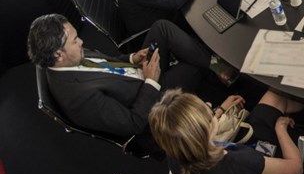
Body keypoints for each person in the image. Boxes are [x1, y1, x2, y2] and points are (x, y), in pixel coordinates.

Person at [26, 14, 234, 138]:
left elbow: (107, 63)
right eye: (74, 40)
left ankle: (216, 67)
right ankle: (219, 71)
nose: (81, 41)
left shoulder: (71, 56)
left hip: (136, 75)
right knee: (193, 66)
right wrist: (151, 81)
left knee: (161, 27)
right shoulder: (78, 97)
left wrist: (133, 58)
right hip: (152, 101)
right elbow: (133, 124)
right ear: (57, 55)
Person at [149, 89, 304, 174]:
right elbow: (296, 168)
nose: (210, 106)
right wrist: (281, 128)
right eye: (209, 110)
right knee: (275, 97)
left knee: (273, 99)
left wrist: (221, 109)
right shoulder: (242, 163)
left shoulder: (174, 154)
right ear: (206, 129)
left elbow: (191, 134)